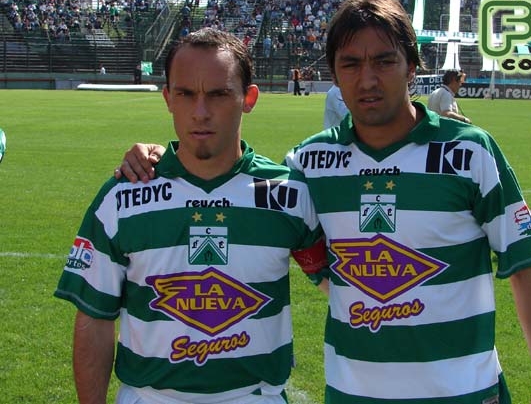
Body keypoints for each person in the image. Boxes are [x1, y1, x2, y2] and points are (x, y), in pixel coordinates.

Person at [117, 0, 531, 404]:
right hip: (352, 394)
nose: (367, 79)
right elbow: (251, 202)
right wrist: (158, 158)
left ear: (412, 67)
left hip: (463, 391)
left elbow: (525, 265)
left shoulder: (468, 152)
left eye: (384, 61)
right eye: (350, 64)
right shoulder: (308, 165)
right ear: (334, 74)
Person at [55, 28, 327, 404]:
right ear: (168, 98)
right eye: (185, 94)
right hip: (148, 398)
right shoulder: (123, 196)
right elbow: (94, 318)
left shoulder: (289, 194)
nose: (200, 112)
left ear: (248, 98)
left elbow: (343, 286)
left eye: (218, 94)